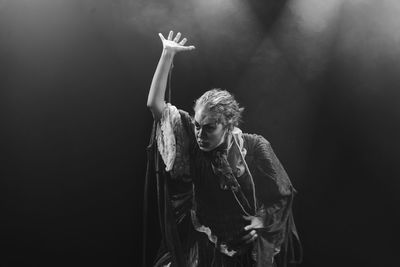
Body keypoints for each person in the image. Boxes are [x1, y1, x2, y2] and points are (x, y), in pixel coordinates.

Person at [145, 31, 302, 267]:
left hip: (243, 249)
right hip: (204, 240)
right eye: (197, 126)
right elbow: (154, 105)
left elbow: (283, 192)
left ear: (228, 125)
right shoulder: (191, 135)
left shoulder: (255, 146)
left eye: (208, 128)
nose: (199, 134)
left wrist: (262, 220)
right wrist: (167, 54)